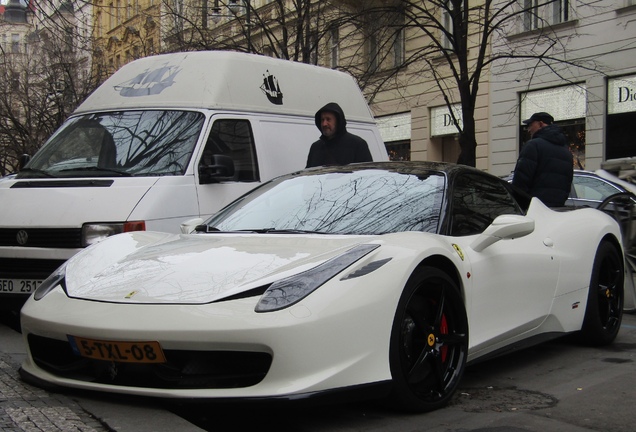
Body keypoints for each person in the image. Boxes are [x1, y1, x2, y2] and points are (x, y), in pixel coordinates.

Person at [512, 112, 573, 207]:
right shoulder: (566, 151)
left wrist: (519, 204)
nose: (529, 130)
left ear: (540, 124)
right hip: (557, 209)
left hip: (533, 208)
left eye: (530, 125)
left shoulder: (533, 145)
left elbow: (520, 182)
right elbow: (567, 183)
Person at [306, 102, 373, 168]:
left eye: (328, 119)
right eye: (322, 120)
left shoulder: (357, 145)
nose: (324, 124)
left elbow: (367, 174)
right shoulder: (315, 148)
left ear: (338, 121)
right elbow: (308, 175)